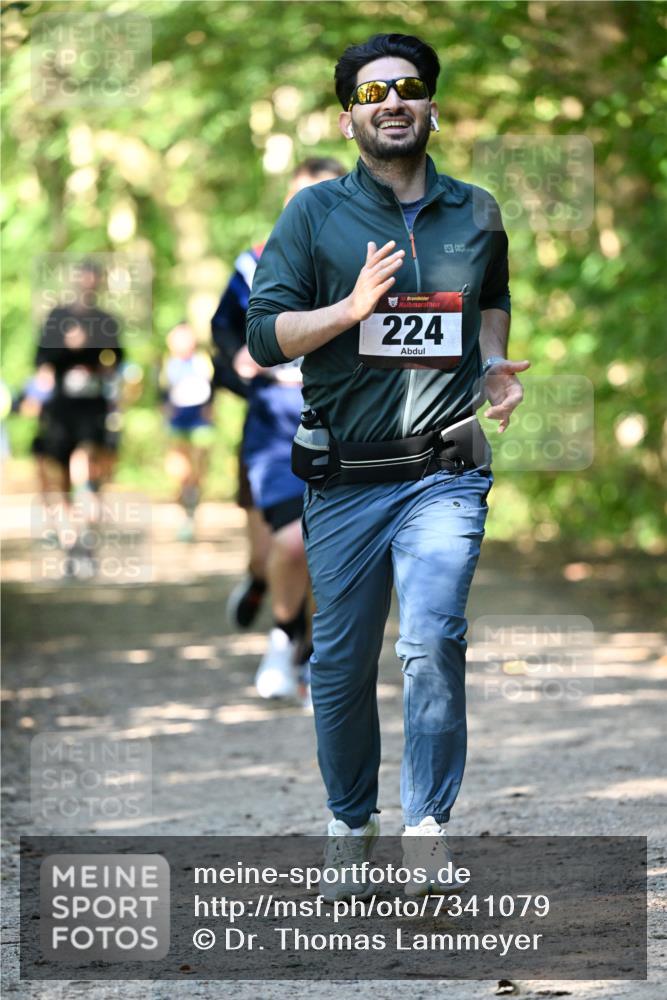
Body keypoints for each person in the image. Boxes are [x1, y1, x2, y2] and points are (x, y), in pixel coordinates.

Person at [247, 33, 530, 897]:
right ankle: (350, 821)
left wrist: (489, 363)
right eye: (374, 93)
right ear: (350, 118)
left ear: (432, 105)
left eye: (408, 87)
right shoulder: (312, 216)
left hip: (445, 468)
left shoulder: (476, 210)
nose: (392, 101)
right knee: (339, 660)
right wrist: (345, 309)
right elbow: (264, 338)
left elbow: (492, 297)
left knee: (432, 640)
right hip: (344, 478)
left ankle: (428, 829)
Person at [212, 158, 345, 701]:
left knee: (322, 548)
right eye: (301, 197)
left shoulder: (369, 262)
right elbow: (223, 335)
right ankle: (281, 636)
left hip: (345, 423)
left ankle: (310, 653)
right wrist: (242, 365)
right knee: (287, 544)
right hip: (274, 424)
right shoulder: (255, 264)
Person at [32, 258, 124, 576]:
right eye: (82, 277)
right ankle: (72, 543)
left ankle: (84, 542)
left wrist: (94, 352)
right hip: (60, 412)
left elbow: (116, 359)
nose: (87, 283)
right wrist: (67, 347)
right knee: (58, 482)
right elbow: (42, 359)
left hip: (92, 410)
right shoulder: (56, 317)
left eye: (92, 278)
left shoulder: (106, 320)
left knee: (85, 468)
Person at [161, 322, 215, 541]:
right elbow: (162, 394)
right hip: (177, 422)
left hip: (200, 422)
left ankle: (192, 505)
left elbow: (212, 389)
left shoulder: (203, 362)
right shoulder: (167, 364)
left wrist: (210, 412)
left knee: (197, 469)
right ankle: (185, 502)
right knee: (178, 469)